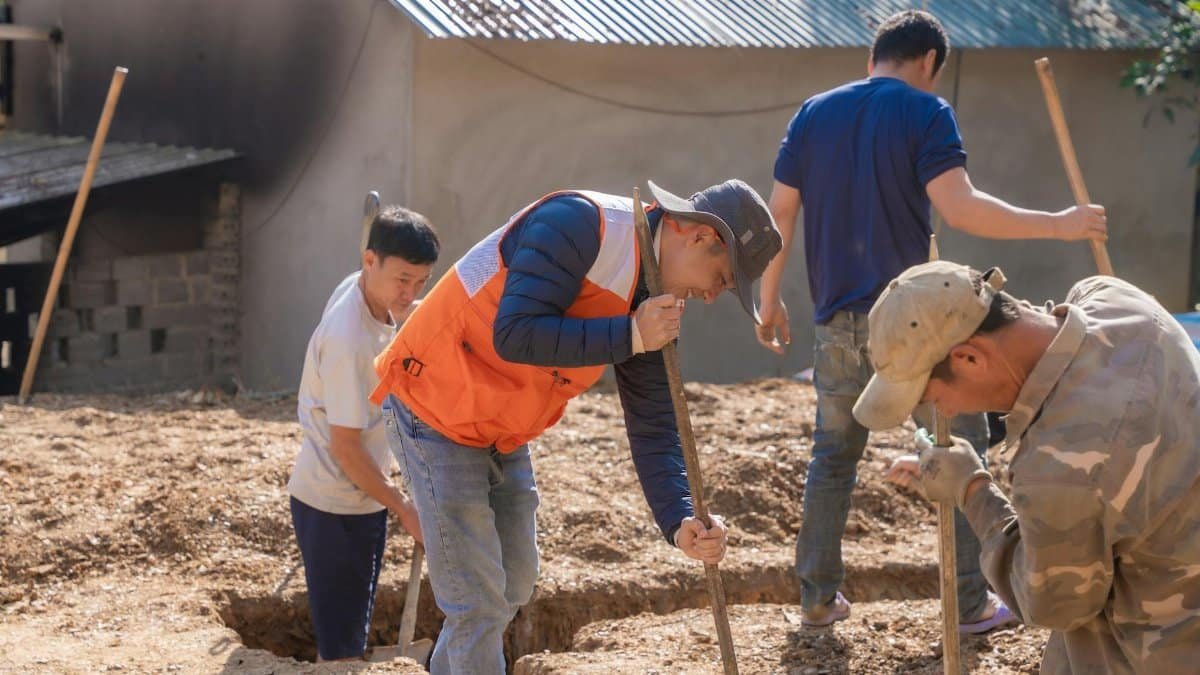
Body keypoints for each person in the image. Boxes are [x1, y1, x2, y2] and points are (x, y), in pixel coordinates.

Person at [754, 8, 1107, 629]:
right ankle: (970, 604)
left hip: (836, 320)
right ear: (927, 64)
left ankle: (815, 599)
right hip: (920, 328)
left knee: (832, 458)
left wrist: (769, 296)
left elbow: (779, 213)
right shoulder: (925, 111)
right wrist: (1060, 224)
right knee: (958, 451)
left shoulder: (815, 112)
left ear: (873, 58)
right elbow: (961, 208)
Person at [371, 180, 782, 673]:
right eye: (722, 277)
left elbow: (654, 421)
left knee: (514, 582)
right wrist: (630, 334)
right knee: (477, 603)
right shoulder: (577, 224)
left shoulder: (654, 298)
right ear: (695, 236)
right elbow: (516, 333)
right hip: (434, 404)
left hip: (499, 423)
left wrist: (680, 521)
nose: (713, 296)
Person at [855, 260, 1200, 673]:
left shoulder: (1061, 467)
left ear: (968, 359)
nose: (939, 411)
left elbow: (1055, 605)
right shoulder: (1116, 299)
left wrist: (971, 489)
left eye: (929, 397)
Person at [287, 204, 439, 661]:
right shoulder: (347, 338)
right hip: (334, 503)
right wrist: (405, 508)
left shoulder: (360, 290)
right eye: (402, 280)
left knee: (353, 623)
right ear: (369, 260)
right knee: (342, 648)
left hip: (364, 494)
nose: (409, 293)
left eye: (420, 281)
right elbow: (347, 450)